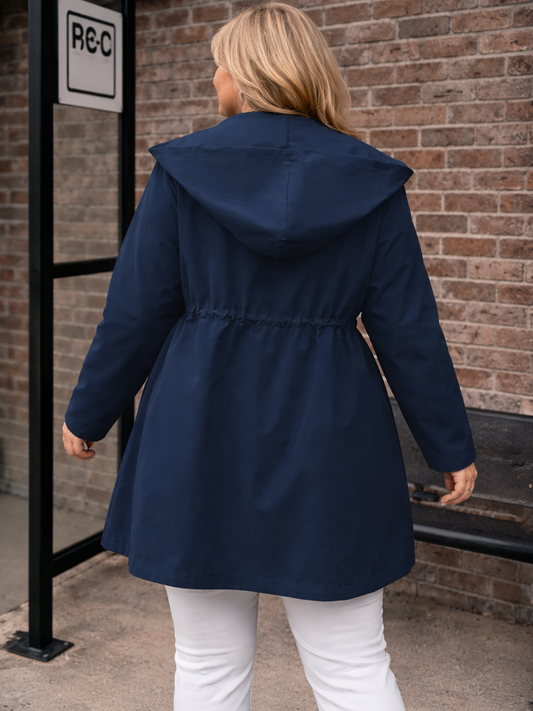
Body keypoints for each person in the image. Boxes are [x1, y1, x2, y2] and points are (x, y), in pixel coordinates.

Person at [62, 3, 478, 710]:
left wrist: (89, 411)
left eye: (219, 65)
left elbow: (135, 311)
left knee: (206, 664)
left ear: (249, 74)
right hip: (331, 430)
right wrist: (450, 443)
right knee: (352, 663)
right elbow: (408, 328)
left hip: (198, 427)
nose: (213, 78)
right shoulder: (370, 180)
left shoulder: (181, 171)